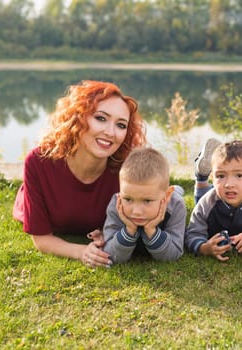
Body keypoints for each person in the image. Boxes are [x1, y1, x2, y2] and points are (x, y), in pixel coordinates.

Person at [12, 80, 146, 268]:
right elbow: (41, 239)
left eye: (121, 125)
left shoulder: (127, 168)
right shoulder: (38, 162)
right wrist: (82, 251)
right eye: (100, 118)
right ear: (78, 118)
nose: (110, 132)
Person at [186, 140, 242, 261]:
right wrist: (204, 248)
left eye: (239, 175)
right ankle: (201, 176)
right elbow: (192, 235)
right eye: (220, 176)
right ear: (212, 179)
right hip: (210, 196)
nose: (229, 184)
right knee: (201, 197)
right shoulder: (206, 204)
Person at [102, 147, 186, 263]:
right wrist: (129, 230)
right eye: (128, 199)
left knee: (177, 194)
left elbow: (173, 254)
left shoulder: (176, 206)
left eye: (147, 201)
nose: (136, 211)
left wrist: (151, 230)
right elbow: (110, 254)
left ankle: (176, 190)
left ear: (166, 197)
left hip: (172, 197)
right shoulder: (117, 204)